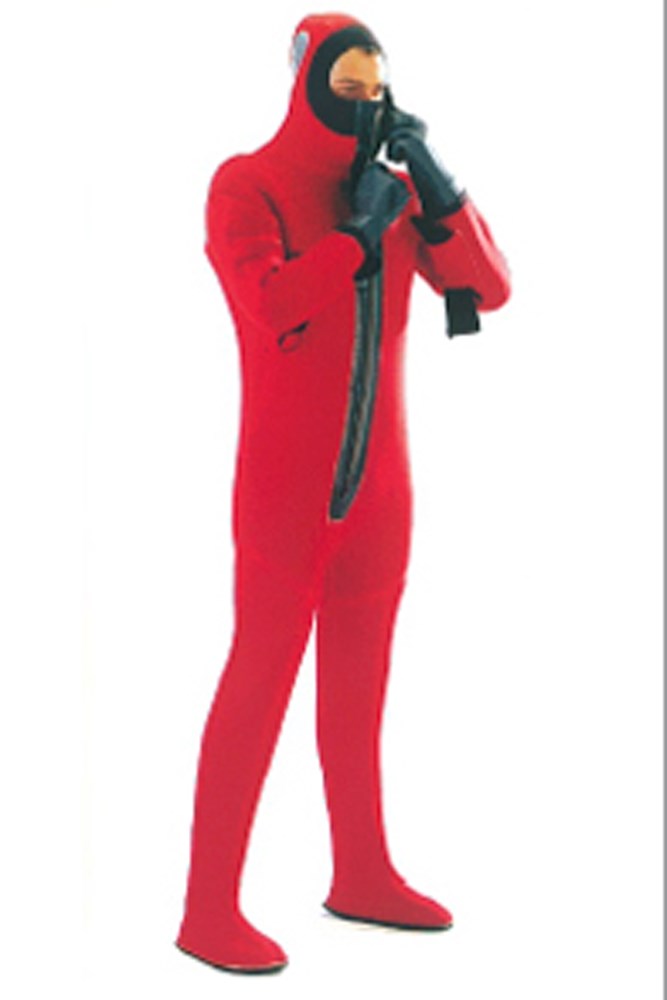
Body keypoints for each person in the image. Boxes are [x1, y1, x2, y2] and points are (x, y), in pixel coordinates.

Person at [176, 12, 511, 974]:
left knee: (359, 693)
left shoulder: (393, 194)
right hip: (284, 496)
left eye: (375, 91)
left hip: (382, 499)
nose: (362, 107)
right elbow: (269, 305)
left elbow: (488, 289)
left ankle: (361, 872)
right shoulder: (245, 183)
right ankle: (206, 910)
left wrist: (435, 187)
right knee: (257, 685)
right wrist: (355, 239)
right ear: (305, 85)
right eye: (344, 89)